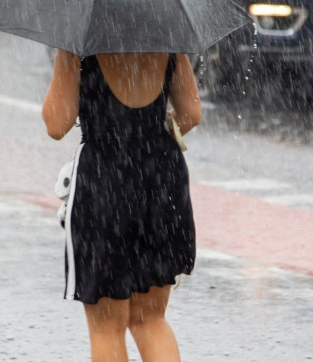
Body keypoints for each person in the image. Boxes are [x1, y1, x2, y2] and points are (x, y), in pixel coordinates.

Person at [42, 49, 201, 362]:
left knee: (107, 327)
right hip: (162, 178)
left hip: (104, 180)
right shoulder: (165, 31)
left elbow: (56, 124)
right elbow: (191, 114)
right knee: (150, 319)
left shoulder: (81, 40)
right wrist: (152, 134)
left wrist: (67, 55)